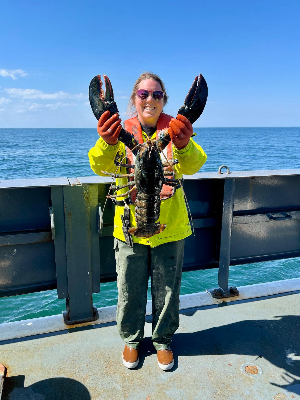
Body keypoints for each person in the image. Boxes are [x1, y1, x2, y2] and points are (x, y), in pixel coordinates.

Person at [88, 72, 207, 370]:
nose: (150, 99)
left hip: (170, 228)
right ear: (134, 99)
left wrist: (184, 145)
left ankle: (163, 340)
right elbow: (99, 165)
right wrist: (106, 141)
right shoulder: (120, 131)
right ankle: (131, 340)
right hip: (129, 227)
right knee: (129, 287)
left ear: (164, 99)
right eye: (143, 94)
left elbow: (194, 164)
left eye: (156, 94)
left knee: (168, 289)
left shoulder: (177, 129)